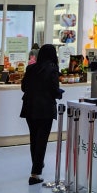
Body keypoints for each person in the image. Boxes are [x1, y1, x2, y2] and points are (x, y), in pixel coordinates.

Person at [19, 43, 64, 184]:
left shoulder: (31, 68)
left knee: (34, 138)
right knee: (42, 140)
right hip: (45, 108)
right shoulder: (52, 69)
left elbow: (23, 87)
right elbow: (54, 90)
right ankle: (35, 173)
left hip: (29, 106)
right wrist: (59, 93)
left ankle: (37, 166)